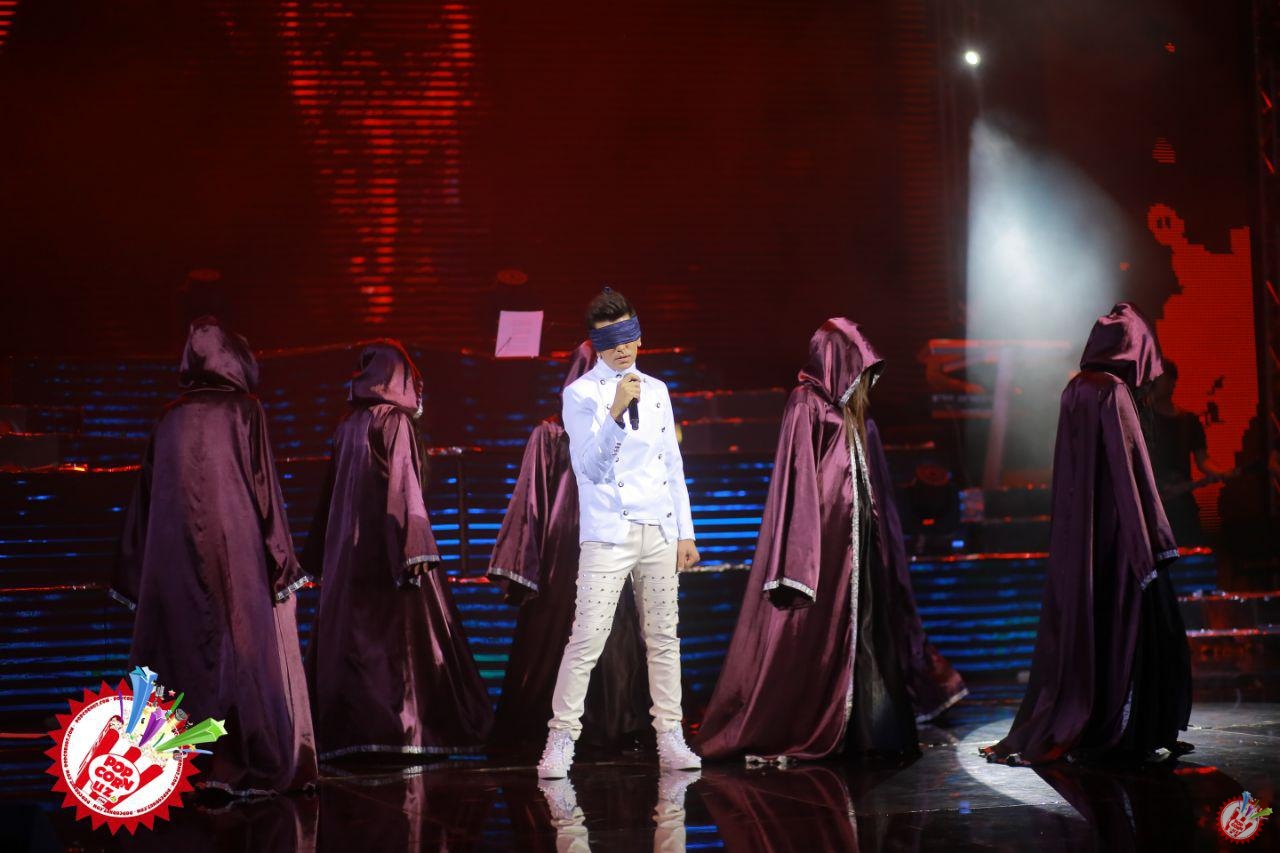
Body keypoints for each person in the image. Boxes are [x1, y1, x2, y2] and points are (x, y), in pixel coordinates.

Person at [696, 318, 920, 762]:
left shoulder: (845, 410)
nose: (863, 382)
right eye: (857, 369)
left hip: (857, 538)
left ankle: (866, 730)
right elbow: (798, 474)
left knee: (863, 628)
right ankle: (814, 722)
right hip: (826, 542)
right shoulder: (806, 401)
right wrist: (803, 550)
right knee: (823, 633)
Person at [111, 317, 317, 795]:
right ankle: (234, 757)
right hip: (235, 554)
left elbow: (143, 500)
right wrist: (281, 561)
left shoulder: (169, 418)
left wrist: (132, 570)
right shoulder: (246, 412)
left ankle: (177, 762)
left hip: (175, 555)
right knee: (239, 653)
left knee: (181, 649)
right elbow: (265, 488)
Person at [981, 302, 1192, 766]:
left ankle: (1104, 726)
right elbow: (1132, 475)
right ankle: (1134, 730)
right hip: (1122, 535)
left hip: (1084, 538)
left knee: (1089, 623)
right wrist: (1152, 540)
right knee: (1136, 626)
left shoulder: (1076, 389)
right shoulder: (1113, 392)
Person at [536, 288, 702, 777]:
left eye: (628, 336)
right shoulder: (580, 394)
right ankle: (560, 740)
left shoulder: (658, 390)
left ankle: (670, 737)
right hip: (609, 532)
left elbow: (672, 464)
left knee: (664, 639)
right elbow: (588, 468)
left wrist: (686, 533)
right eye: (611, 340)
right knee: (587, 638)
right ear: (596, 344)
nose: (622, 348)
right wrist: (614, 412)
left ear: (639, 337)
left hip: (659, 528)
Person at [303, 340, 492, 759]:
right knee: (402, 642)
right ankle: (404, 730)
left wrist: (319, 556)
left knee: (354, 642)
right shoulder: (393, 422)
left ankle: (353, 734)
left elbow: (328, 497)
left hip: (349, 557)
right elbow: (404, 484)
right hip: (388, 551)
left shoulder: (347, 426)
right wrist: (414, 547)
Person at [488, 341, 652, 754]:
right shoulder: (550, 433)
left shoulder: (630, 428)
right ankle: (559, 725)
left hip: (612, 540)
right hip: (565, 552)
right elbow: (531, 498)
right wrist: (522, 562)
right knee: (565, 628)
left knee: (615, 629)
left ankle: (615, 724)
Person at [1148, 359, 1230, 544]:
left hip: (1181, 504)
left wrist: (1220, 473)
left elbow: (1203, 460)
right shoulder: (1140, 420)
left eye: (1159, 377)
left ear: (1172, 382)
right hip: (1150, 506)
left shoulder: (1189, 421)